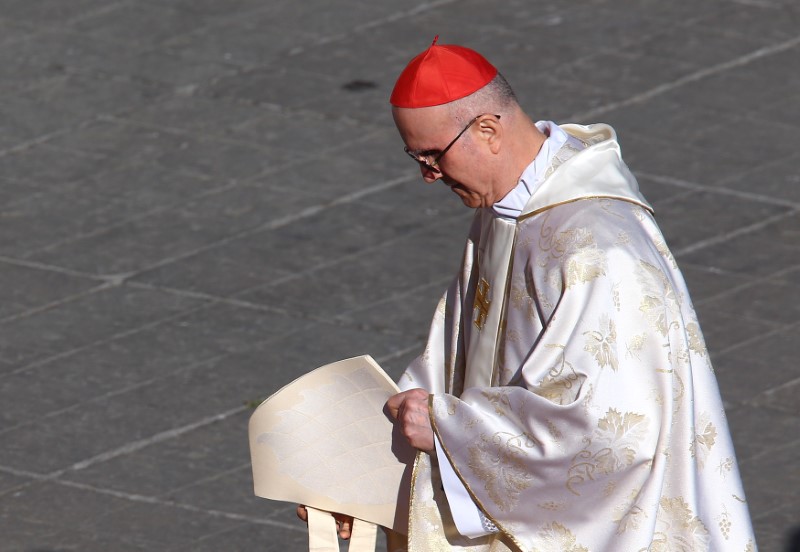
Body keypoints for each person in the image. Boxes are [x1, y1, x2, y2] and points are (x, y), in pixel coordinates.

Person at [380, 37, 757, 551]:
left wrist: (450, 429)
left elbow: (613, 433)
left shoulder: (598, 249)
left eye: (432, 156)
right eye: (415, 157)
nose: (428, 176)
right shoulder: (504, 212)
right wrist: (369, 472)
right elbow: (451, 362)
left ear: (488, 129)